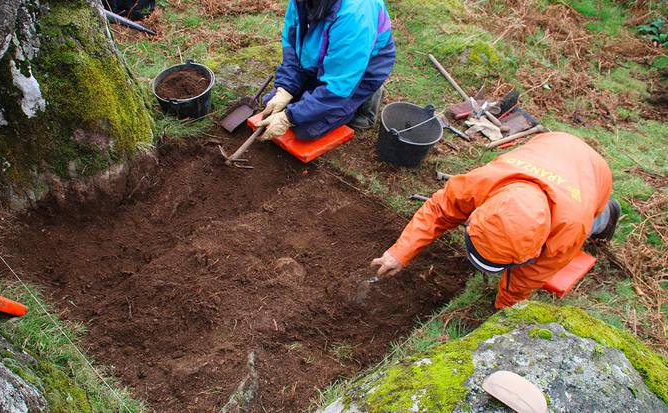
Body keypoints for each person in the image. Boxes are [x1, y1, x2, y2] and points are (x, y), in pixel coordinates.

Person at [370, 132, 621, 309]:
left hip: (592, 173)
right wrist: (400, 253)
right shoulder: (479, 184)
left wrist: (505, 307)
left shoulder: (569, 229)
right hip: (550, 144)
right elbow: (438, 210)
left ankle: (608, 216)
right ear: (471, 219)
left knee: (593, 220)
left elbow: (532, 274)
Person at [257, 0, 395, 141]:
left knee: (305, 129)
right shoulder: (301, 2)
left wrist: (289, 118)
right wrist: (285, 88)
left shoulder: (354, 13)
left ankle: (365, 100)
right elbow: (292, 44)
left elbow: (339, 85)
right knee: (271, 103)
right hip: (320, 59)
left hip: (359, 69)